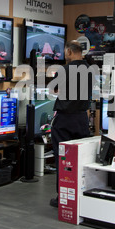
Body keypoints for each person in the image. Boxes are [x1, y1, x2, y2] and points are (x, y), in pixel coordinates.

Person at [49, 40, 94, 207]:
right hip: (82, 118)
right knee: (81, 158)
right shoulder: (90, 69)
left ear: (69, 51)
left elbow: (53, 89)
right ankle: (80, 194)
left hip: (64, 120)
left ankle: (63, 197)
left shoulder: (65, 70)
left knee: (63, 158)